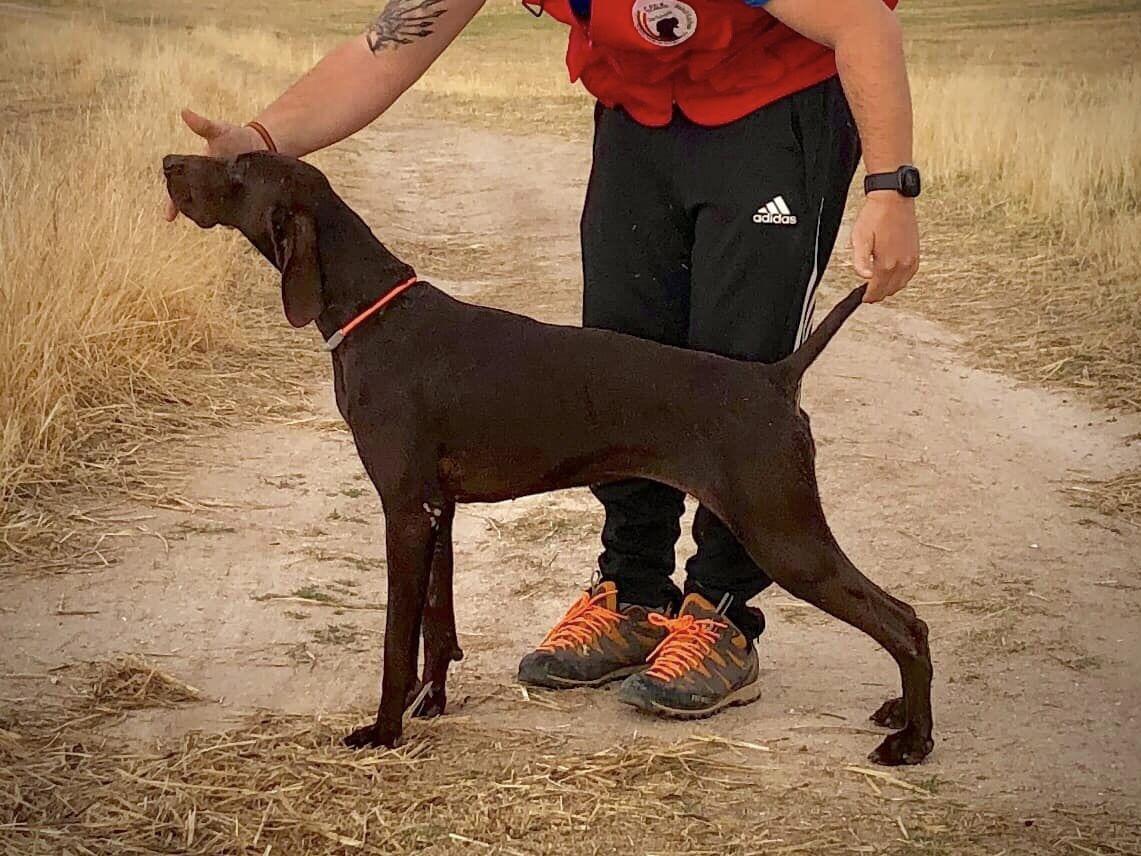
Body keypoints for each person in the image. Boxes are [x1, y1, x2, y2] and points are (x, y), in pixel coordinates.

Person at [168, 0, 920, 719]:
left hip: (771, 110)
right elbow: (389, 44)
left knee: (735, 380)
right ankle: (631, 593)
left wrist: (890, 187)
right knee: (616, 360)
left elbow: (861, 20)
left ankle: (719, 610)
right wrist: (261, 141)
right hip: (640, 114)